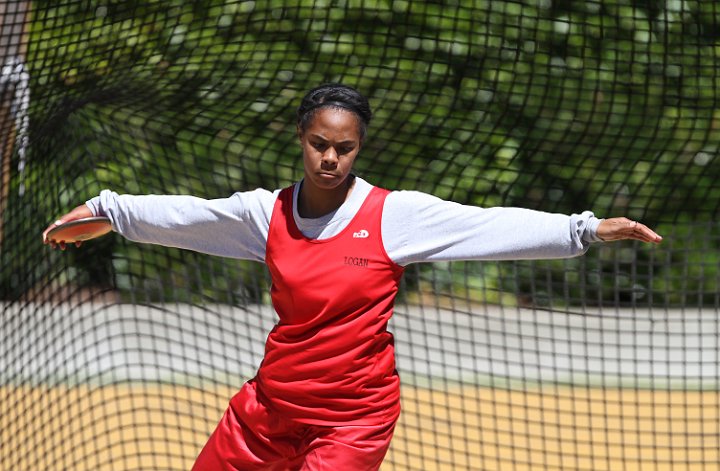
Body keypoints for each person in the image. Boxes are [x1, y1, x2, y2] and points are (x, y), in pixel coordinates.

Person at [43, 83, 662, 470]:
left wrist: (585, 229)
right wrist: (109, 210)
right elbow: (190, 217)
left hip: (352, 419)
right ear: (302, 140)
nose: (330, 158)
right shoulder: (269, 213)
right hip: (269, 409)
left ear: (359, 148)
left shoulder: (393, 216)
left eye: (344, 147)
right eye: (319, 144)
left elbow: (484, 227)